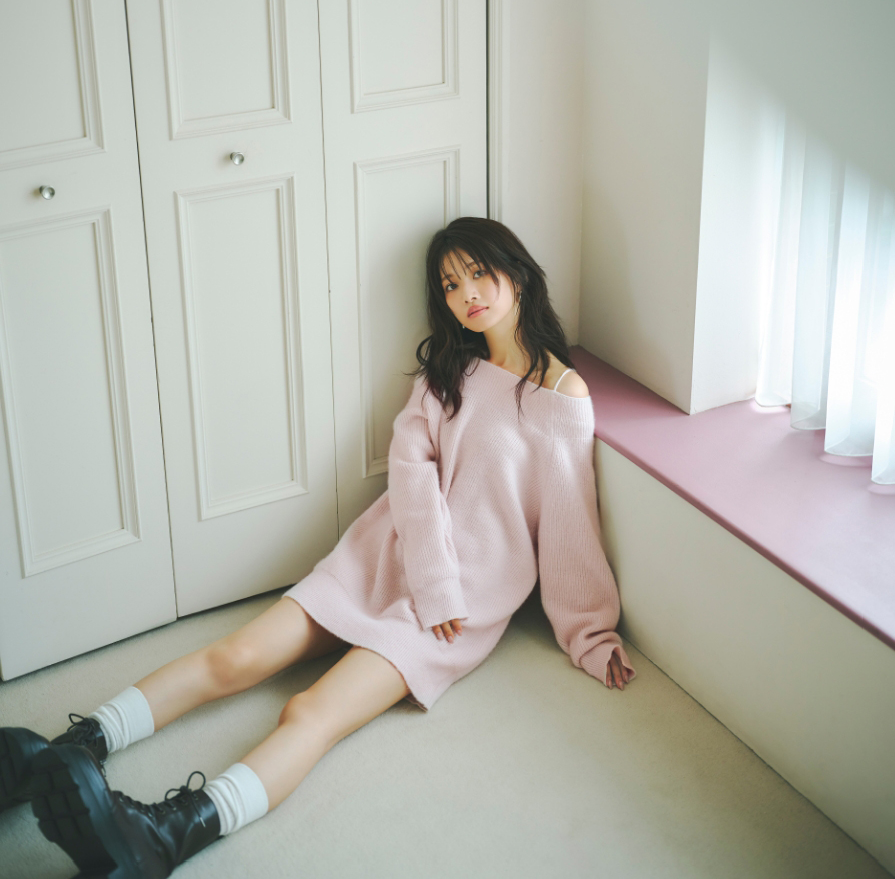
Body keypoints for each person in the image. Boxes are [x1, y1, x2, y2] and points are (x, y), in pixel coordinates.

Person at [0, 216, 635, 878]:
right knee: (236, 655)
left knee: (310, 710)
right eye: (450, 284)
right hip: (383, 555)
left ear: (519, 274)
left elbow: (570, 526)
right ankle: (67, 750)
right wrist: (428, 573)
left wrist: (589, 632)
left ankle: (167, 835)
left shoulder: (561, 396)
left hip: (457, 608)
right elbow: (410, 471)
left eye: (478, 272)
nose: (466, 293)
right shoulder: (450, 369)